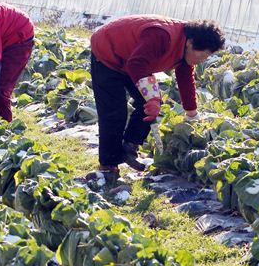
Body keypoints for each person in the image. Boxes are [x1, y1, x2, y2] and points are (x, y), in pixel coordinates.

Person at [90, 15, 226, 176]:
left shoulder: (185, 49)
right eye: (204, 54)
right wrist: (152, 98)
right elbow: (136, 64)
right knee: (114, 111)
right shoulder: (161, 36)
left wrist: (191, 113)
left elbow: (185, 77)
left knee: (149, 104)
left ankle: (129, 147)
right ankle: (108, 165)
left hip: (131, 59)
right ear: (190, 43)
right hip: (108, 53)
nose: (204, 59)